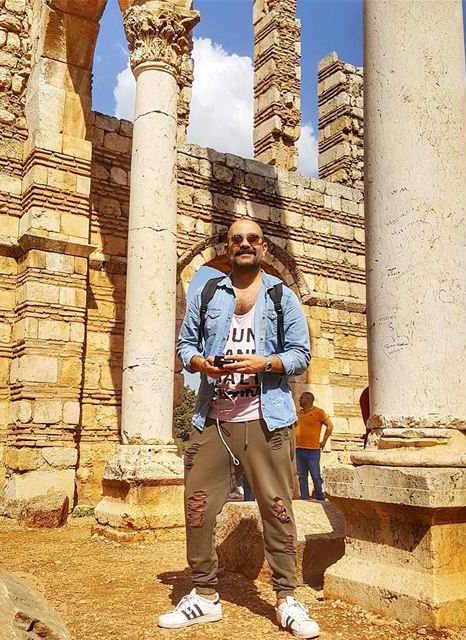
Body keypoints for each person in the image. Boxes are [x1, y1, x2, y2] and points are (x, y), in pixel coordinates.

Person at [159, 218, 320, 639]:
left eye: (252, 239)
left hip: (267, 419)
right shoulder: (207, 290)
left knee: (278, 511)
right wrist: (200, 364)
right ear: (227, 247)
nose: (244, 244)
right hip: (213, 417)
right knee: (196, 508)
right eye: (237, 239)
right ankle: (204, 594)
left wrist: (263, 363)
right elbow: (184, 346)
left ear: (263, 247)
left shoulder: (283, 297)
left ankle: (287, 598)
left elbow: (302, 355)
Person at [295, 392, 333, 501]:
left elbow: (330, 426)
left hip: (313, 450)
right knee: (302, 476)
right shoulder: (298, 414)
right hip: (299, 449)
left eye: (301, 397)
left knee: (315, 475)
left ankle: (320, 497)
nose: (299, 399)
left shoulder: (319, 412)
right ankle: (304, 497)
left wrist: (324, 441)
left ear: (307, 399)